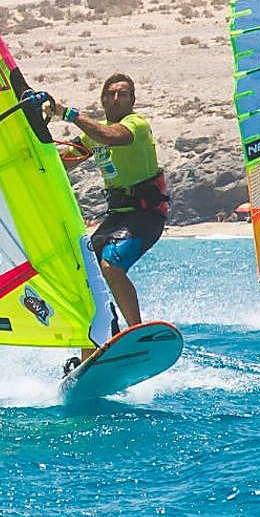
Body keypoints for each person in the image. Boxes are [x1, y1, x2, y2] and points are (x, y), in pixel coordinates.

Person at [49, 74, 169, 333]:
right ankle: (97, 336)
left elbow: (111, 136)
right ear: (102, 99)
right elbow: (60, 163)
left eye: (123, 94)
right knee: (85, 272)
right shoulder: (93, 136)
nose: (116, 98)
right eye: (111, 93)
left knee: (111, 267)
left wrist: (68, 113)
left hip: (146, 215)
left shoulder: (136, 124)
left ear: (132, 100)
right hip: (117, 216)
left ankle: (136, 332)